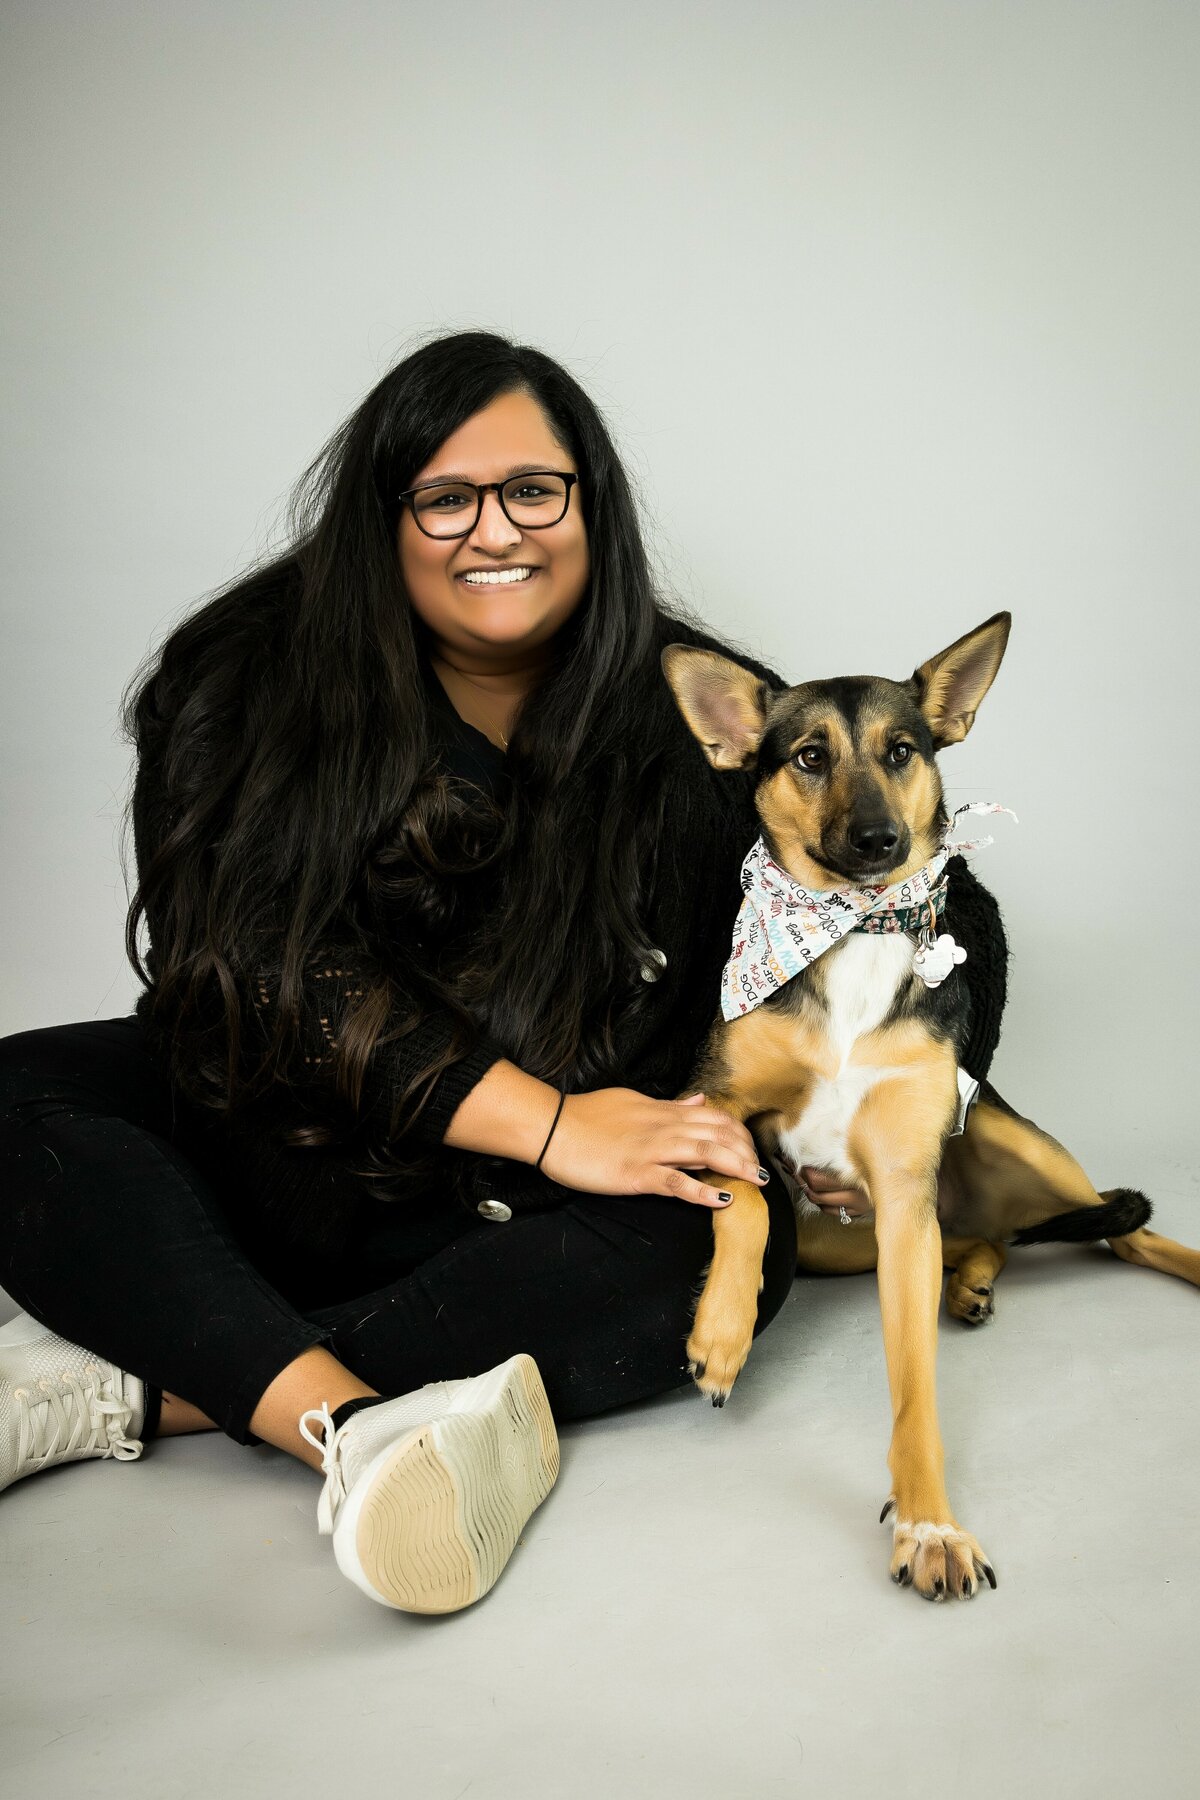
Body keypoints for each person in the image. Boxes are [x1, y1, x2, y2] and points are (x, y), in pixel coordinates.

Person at [0, 331, 1008, 1615]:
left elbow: (920, 880)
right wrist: (546, 1125)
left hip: (540, 1201)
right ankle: (364, 1427)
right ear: (386, 515)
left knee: (702, 1251)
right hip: (283, 1128)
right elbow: (248, 961)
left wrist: (914, 1092)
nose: (497, 531)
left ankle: (135, 1384)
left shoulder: (674, 690)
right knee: (19, 1095)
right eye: (445, 496)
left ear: (590, 503)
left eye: (536, 490)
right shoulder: (243, 671)